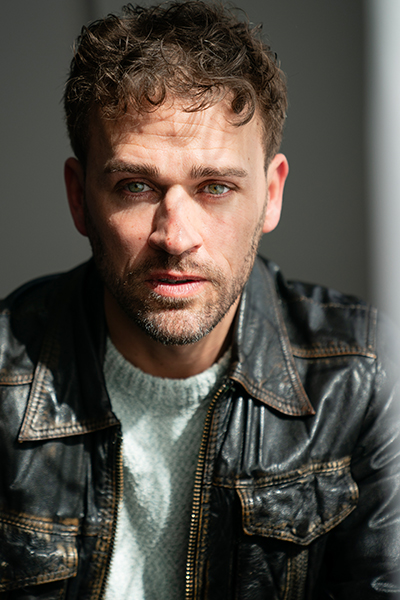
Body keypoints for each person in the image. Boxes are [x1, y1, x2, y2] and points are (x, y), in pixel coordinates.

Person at [0, 1, 399, 598]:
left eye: (215, 187)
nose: (176, 236)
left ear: (271, 195)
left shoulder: (364, 375)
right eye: (136, 186)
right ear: (79, 198)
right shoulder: (5, 374)